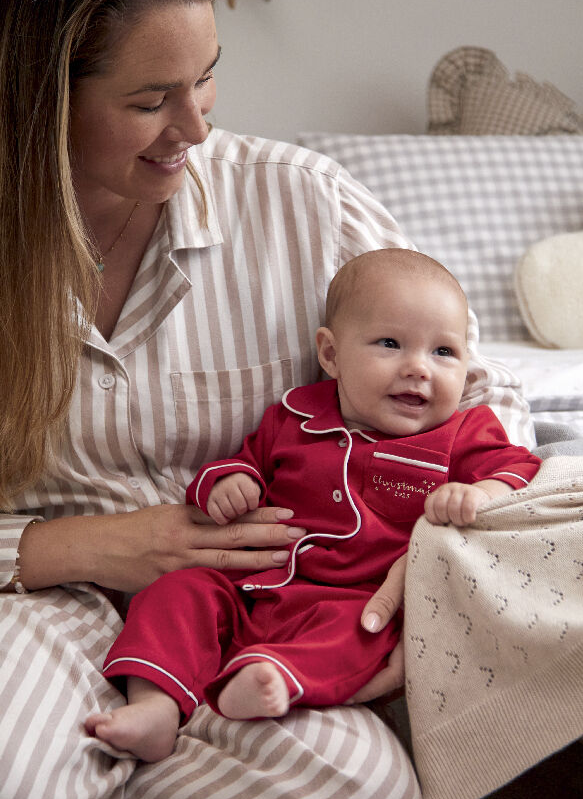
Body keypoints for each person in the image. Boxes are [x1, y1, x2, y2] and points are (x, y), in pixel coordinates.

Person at [0, 0, 535, 799]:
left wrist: (443, 546)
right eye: (149, 101)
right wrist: (74, 545)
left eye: (207, 80)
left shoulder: (302, 201)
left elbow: (480, 396)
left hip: (272, 616)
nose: (193, 130)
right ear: (35, 104)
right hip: (37, 604)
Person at [86, 249, 541, 761]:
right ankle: (154, 705)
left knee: (365, 633)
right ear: (330, 355)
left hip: (352, 599)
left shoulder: (463, 432)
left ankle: (275, 677)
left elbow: (519, 470)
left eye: (444, 353)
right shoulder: (296, 414)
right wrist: (228, 484)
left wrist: (478, 493)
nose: (418, 368)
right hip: (252, 591)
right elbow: (247, 462)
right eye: (390, 344)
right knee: (177, 591)